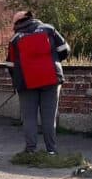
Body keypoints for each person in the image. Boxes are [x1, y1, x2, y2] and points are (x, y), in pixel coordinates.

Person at [6, 10, 71, 155]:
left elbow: (10, 65)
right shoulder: (49, 29)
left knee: (29, 118)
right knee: (49, 118)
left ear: (18, 22)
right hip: (51, 78)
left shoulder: (15, 39)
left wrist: (17, 81)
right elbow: (64, 50)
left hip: (27, 83)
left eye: (13, 22)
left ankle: (30, 151)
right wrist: (53, 59)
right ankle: (51, 151)